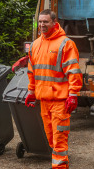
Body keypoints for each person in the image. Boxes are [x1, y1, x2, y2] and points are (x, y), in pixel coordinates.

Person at [25, 9, 83, 168]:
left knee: (59, 140)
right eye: (40, 22)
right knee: (51, 139)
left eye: (46, 22)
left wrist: (73, 95)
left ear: (54, 23)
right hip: (44, 101)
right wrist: (31, 92)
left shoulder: (66, 44)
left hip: (60, 102)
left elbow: (73, 72)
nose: (42, 25)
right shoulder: (35, 44)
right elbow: (32, 72)